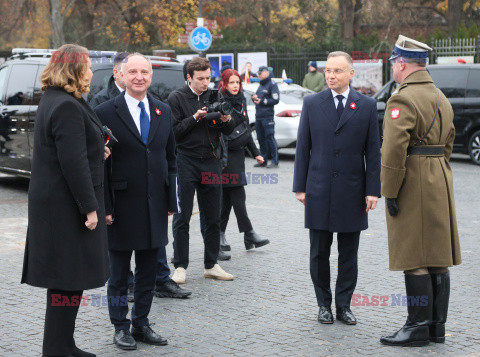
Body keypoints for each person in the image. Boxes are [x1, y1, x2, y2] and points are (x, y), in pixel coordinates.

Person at [21, 43, 110, 357]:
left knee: (70, 279)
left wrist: (97, 148)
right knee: (67, 279)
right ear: (73, 69)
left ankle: (63, 344)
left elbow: (70, 150)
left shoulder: (58, 100)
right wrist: (90, 209)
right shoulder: (66, 105)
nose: (89, 70)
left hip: (57, 204)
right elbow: (72, 164)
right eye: (86, 64)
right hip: (65, 208)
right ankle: (56, 348)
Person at [379, 35, 461, 347]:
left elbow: (393, 150)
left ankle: (416, 327)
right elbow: (449, 143)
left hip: (412, 180)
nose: (394, 70)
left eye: (394, 65)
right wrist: (435, 169)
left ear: (401, 64)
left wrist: (390, 190)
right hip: (439, 176)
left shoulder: (402, 99)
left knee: (414, 255)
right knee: (437, 256)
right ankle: (435, 328)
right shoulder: (440, 96)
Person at [94, 53, 176, 350]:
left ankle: (141, 322)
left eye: (144, 71)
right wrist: (105, 206)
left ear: (151, 76)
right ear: (121, 76)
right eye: (133, 72)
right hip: (119, 205)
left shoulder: (163, 111)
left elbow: (170, 158)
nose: (139, 77)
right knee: (118, 275)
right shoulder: (105, 111)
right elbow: (99, 164)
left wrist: (171, 199)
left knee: (148, 271)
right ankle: (120, 326)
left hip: (154, 204)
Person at [293, 51, 381, 326]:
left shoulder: (366, 105)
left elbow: (373, 152)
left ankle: (344, 306)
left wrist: (372, 190)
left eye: (337, 71)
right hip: (318, 188)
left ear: (351, 74)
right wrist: (300, 187)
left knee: (348, 253)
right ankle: (323, 305)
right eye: (328, 70)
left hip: (352, 190)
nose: (331, 76)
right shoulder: (311, 103)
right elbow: (302, 148)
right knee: (319, 252)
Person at [167, 56, 236, 284]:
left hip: (211, 161)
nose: (205, 83)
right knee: (182, 217)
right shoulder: (176, 98)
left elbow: (229, 129)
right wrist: (196, 117)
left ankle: (211, 264)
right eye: (200, 79)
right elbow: (174, 132)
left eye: (208, 78)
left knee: (212, 215)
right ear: (189, 77)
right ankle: (180, 266)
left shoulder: (215, 95)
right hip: (185, 161)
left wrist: (226, 119)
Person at [217, 69, 270, 255]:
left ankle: (221, 235)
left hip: (238, 157)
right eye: (231, 82)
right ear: (224, 84)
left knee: (227, 200)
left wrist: (256, 153)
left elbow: (245, 129)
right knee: (237, 196)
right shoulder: (221, 103)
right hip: (225, 157)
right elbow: (224, 132)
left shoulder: (241, 101)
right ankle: (248, 234)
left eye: (237, 82)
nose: (235, 86)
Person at [252, 66, 280, 168]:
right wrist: (254, 98)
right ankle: (263, 160)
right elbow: (258, 97)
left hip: (267, 117)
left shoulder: (272, 85)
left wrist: (263, 101)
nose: (259, 75)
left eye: (260, 73)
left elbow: (275, 100)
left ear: (266, 73)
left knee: (270, 138)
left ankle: (274, 161)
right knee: (261, 139)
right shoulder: (260, 85)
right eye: (258, 74)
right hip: (259, 116)